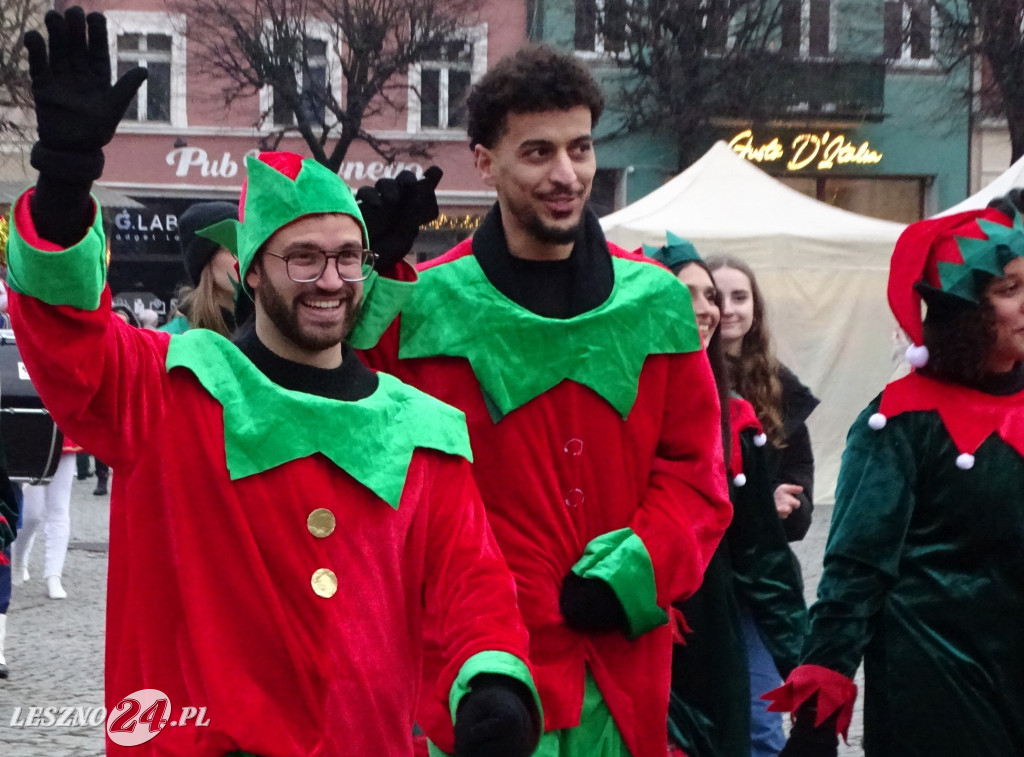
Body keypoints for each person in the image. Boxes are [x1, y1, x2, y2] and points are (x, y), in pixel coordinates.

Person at [3, 9, 541, 756]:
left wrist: (492, 680)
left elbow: (472, 589)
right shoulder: (172, 391)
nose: (331, 279)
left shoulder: (420, 430)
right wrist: (63, 186)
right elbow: (68, 344)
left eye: (349, 257)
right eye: (304, 258)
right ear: (251, 270)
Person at [362, 45, 731, 757]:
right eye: (537, 152)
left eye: (581, 148)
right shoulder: (425, 304)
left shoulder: (655, 300)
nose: (567, 175)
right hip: (475, 678)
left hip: (620, 679)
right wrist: (372, 284)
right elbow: (347, 420)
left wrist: (634, 571)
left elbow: (697, 476)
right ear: (485, 161)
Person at [766, 199, 1024, 757]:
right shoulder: (899, 421)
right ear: (966, 310)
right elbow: (854, 573)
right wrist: (817, 713)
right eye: (1009, 290)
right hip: (937, 690)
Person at [648, 235, 807, 757]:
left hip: (719, 622)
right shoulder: (616, 407)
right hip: (635, 622)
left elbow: (766, 558)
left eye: (709, 296)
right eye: (686, 293)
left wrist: (806, 671)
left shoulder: (738, 420)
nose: (706, 308)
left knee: (748, 735)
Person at [705, 256, 818, 541]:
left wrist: (788, 501)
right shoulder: (682, 379)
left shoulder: (780, 385)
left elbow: (798, 467)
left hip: (761, 563)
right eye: (716, 298)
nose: (728, 309)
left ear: (755, 307)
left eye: (740, 297)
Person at [11, 438, 79, 598]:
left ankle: (54, 575)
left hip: (62, 433)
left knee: (59, 508)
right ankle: (18, 559)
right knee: (32, 514)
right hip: (32, 432)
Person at [161, 201, 240, 336]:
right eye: (234, 247)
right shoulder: (171, 341)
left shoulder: (270, 333)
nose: (245, 258)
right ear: (205, 260)